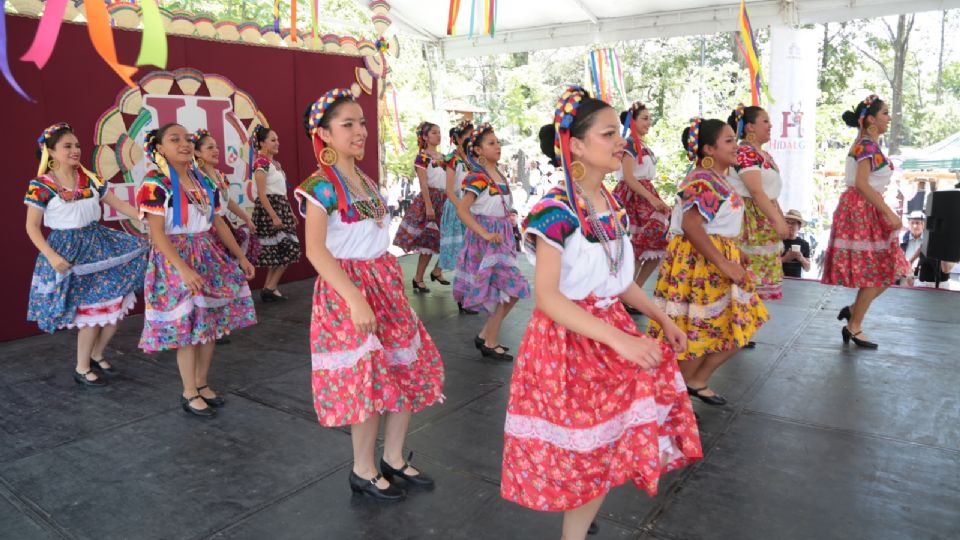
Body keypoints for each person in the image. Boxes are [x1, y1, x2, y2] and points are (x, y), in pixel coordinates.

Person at [501, 87, 701, 540]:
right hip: (568, 343)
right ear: (574, 144)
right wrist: (622, 339)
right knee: (585, 452)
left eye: (621, 133)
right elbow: (549, 298)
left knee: (606, 445)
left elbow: (618, 281)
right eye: (609, 134)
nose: (621, 143)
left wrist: (662, 318)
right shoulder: (554, 211)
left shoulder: (609, 205)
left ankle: (579, 529)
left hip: (607, 332)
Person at [296, 89, 444, 501]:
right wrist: (356, 299)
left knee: (402, 368)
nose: (360, 131)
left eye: (361, 122)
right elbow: (315, 251)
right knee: (367, 380)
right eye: (348, 124)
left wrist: (386, 286)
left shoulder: (364, 179)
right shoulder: (319, 188)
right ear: (323, 134)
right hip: (348, 291)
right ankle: (362, 469)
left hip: (384, 283)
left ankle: (393, 457)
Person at [137, 124, 257, 417]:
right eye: (174, 139)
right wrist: (182, 269)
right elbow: (157, 235)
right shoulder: (155, 183)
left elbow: (217, 223)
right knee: (189, 328)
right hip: (175, 259)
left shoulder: (203, 181)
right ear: (160, 149)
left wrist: (240, 256)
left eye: (187, 139)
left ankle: (202, 383)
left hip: (207, 253)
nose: (184, 144)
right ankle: (189, 391)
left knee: (210, 325)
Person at [647, 118, 769, 406]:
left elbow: (715, 225)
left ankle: (693, 383)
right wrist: (725, 263)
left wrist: (733, 254)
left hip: (713, 261)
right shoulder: (703, 179)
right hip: (700, 265)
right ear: (708, 149)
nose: (736, 146)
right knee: (697, 336)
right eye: (728, 141)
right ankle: (671, 404)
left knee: (737, 327)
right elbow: (692, 226)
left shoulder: (718, 178)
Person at [25, 122, 148, 387]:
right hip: (69, 252)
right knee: (91, 314)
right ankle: (82, 368)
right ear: (51, 152)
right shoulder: (42, 185)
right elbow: (31, 227)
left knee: (116, 305)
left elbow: (119, 204)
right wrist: (51, 256)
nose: (75, 150)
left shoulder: (91, 179)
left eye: (77, 145)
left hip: (99, 245)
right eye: (67, 146)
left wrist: (145, 217)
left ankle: (96, 353)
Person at [821, 95, 910, 348]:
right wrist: (888, 212)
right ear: (871, 119)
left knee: (888, 269)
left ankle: (853, 313)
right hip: (863, 210)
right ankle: (854, 325)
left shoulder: (868, 144)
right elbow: (861, 184)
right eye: (884, 113)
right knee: (879, 271)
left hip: (868, 208)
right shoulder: (866, 146)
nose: (888, 118)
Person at [453, 123, 531, 362]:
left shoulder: (499, 174)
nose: (497, 146)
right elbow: (463, 211)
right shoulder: (477, 176)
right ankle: (489, 340)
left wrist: (511, 218)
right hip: (488, 241)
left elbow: (499, 205)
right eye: (491, 143)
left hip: (502, 237)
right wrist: (485, 234)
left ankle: (487, 335)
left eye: (497, 142)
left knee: (511, 290)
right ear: (477, 150)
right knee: (508, 290)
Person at [726, 104, 789, 300]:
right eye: (765, 121)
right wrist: (777, 220)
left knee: (755, 286)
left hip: (762, 218)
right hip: (749, 220)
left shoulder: (762, 154)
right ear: (750, 127)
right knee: (746, 282)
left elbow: (769, 193)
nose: (770, 126)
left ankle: (746, 325)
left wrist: (779, 216)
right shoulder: (745, 152)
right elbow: (755, 190)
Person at [612, 101, 670, 295]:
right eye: (645, 118)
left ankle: (633, 293)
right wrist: (652, 199)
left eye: (649, 118)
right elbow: (629, 177)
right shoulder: (629, 144)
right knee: (636, 248)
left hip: (645, 195)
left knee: (655, 245)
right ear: (632, 121)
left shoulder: (641, 145)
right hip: (633, 198)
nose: (649, 122)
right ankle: (626, 294)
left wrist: (653, 198)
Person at [394, 122, 449, 291]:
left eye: (439, 132)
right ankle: (418, 278)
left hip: (445, 199)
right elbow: (423, 183)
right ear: (425, 137)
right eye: (434, 132)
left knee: (450, 238)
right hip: (430, 199)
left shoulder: (444, 157)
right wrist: (429, 206)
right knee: (428, 241)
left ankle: (437, 270)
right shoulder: (423, 157)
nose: (438, 135)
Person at [193, 129, 260, 265]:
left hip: (224, 224)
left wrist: (246, 218)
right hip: (208, 229)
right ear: (197, 152)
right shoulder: (195, 178)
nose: (216, 150)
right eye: (210, 147)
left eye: (217, 147)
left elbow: (227, 200)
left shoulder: (220, 174)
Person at [251, 125, 301, 302]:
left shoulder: (275, 164)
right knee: (287, 248)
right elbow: (262, 194)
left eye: (277, 139)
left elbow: (281, 191)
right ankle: (270, 287)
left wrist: (290, 211)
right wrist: (273, 215)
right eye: (273, 140)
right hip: (270, 209)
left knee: (282, 250)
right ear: (262, 143)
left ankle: (268, 288)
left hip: (281, 207)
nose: (277, 143)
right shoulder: (261, 163)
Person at [439, 121, 479, 315]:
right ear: (460, 138)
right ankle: (463, 297)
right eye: (469, 136)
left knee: (472, 254)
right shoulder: (452, 160)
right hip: (459, 208)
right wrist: (464, 209)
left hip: (473, 208)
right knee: (461, 256)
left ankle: (470, 294)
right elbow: (449, 190)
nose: (472, 139)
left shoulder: (473, 160)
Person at [781, 209, 811, 278]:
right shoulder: (778, 241)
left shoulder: (804, 244)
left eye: (793, 223)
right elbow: (769, 263)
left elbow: (807, 268)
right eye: (787, 222)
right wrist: (785, 258)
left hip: (796, 281)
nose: (789, 225)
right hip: (778, 279)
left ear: (799, 227)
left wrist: (801, 258)